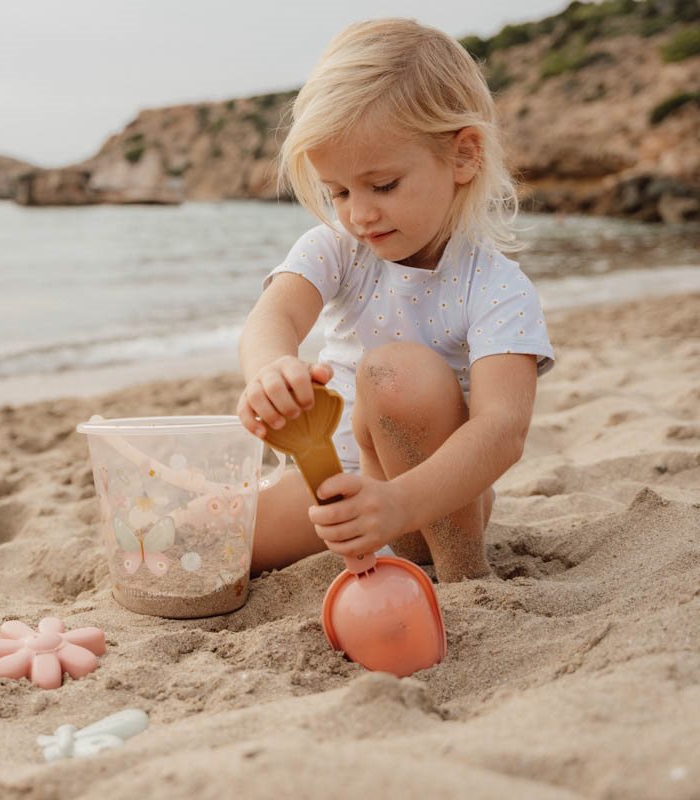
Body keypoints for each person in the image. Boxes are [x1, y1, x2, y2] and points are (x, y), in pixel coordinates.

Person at [237, 18, 554, 582]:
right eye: (338, 192)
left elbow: (503, 427)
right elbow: (275, 315)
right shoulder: (338, 250)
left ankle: (462, 574)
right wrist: (269, 370)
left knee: (394, 371)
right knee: (213, 534)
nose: (359, 215)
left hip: (436, 497)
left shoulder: (496, 286)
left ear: (463, 157)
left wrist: (402, 503)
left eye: (382, 186)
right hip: (334, 483)